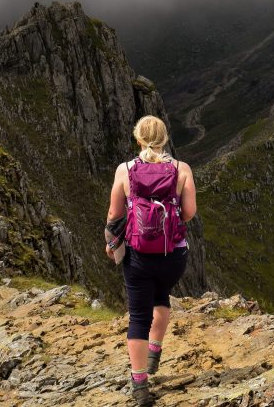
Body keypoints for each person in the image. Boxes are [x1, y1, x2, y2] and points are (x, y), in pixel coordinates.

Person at [105, 115, 197, 406]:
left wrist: (111, 242)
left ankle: (140, 385)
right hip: (173, 255)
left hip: (137, 255)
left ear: (138, 139)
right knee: (162, 296)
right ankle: (155, 351)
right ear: (165, 138)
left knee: (139, 317)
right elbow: (190, 212)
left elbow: (114, 214)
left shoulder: (125, 170)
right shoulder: (182, 169)